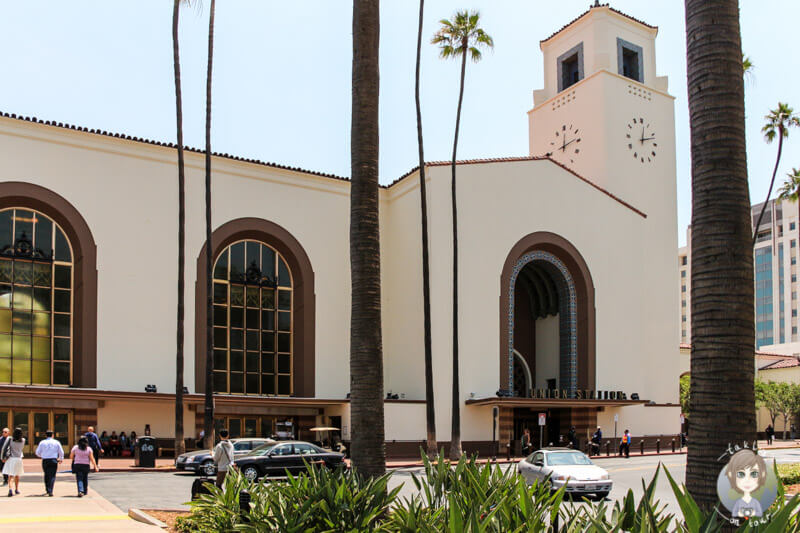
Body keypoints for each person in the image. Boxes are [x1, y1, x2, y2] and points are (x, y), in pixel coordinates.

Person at [725, 449, 767, 518]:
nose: (747, 480)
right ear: (731, 475)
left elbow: (759, 513)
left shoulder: (755, 502)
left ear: (762, 475)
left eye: (754, 474)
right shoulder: (738, 502)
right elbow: (734, 513)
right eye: (741, 474)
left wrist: (753, 513)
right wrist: (740, 513)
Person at [35, 430, 64, 496]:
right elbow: (61, 452)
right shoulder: (56, 442)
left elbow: (37, 452)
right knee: (52, 475)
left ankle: (48, 489)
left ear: (46, 435)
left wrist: (41, 456)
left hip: (45, 460)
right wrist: (61, 458)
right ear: (53, 435)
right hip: (53, 460)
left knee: (46, 474)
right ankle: (50, 490)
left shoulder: (42, 442)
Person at [2, 428, 25, 497]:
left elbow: (4, 448)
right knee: (17, 475)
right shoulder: (23, 440)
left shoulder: (10, 439)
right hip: (19, 459)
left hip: (12, 458)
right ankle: (17, 489)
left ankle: (10, 489)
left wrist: (3, 457)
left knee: (11, 476)